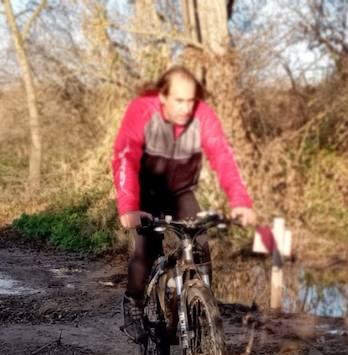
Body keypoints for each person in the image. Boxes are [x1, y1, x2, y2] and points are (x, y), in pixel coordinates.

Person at [111, 66, 258, 341]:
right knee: (146, 252)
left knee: (201, 245)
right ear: (163, 96)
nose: (186, 108)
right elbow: (125, 156)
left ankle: (198, 310)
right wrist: (129, 205)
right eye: (179, 100)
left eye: (191, 101)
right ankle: (133, 302)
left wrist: (240, 201)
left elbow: (223, 156)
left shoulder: (203, 116)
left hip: (181, 193)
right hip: (145, 195)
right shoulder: (142, 110)